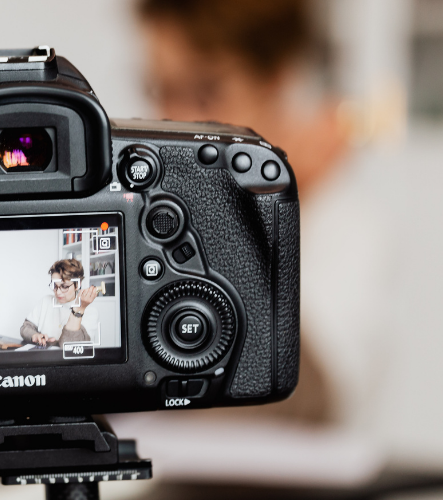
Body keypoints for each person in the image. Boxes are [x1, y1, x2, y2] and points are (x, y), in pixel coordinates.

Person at [136, 0, 361, 425]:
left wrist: (242, 218)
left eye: (205, 91)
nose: (174, 117)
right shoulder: (145, 210)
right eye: (160, 89)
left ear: (278, 79)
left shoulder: (347, 220)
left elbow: (306, 405)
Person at [20, 259, 99, 347]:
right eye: (55, 286)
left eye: (64, 286)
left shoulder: (90, 312)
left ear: (77, 284)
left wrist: (78, 310)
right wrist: (34, 335)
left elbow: (69, 346)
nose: (58, 292)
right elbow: (25, 327)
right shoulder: (46, 301)